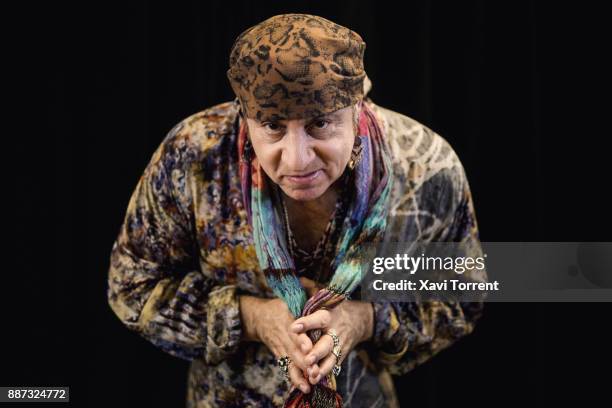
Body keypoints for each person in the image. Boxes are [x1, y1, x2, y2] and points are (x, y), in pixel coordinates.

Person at [107, 13, 486, 408]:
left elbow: (465, 291)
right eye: (271, 125)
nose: (297, 159)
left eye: (320, 124)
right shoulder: (193, 157)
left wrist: (364, 320)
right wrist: (252, 318)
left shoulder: (426, 167)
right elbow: (131, 286)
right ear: (244, 114)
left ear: (357, 110)